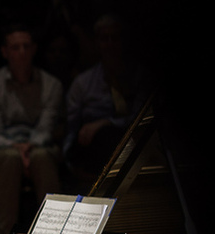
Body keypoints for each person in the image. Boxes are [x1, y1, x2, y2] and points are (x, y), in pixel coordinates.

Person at [0, 24, 64, 234]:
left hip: (38, 147)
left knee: (43, 156)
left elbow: (46, 128)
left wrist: (30, 147)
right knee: (9, 158)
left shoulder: (51, 84)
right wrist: (18, 149)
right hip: (1, 149)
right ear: (5, 52)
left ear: (34, 49)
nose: (22, 52)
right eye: (16, 47)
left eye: (26, 46)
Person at [64, 14, 151, 184]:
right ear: (97, 42)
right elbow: (72, 127)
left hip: (128, 144)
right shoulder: (83, 82)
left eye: (115, 38)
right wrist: (69, 162)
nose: (110, 45)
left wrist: (105, 122)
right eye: (105, 39)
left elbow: (140, 120)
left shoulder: (140, 77)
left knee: (110, 136)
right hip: (90, 151)